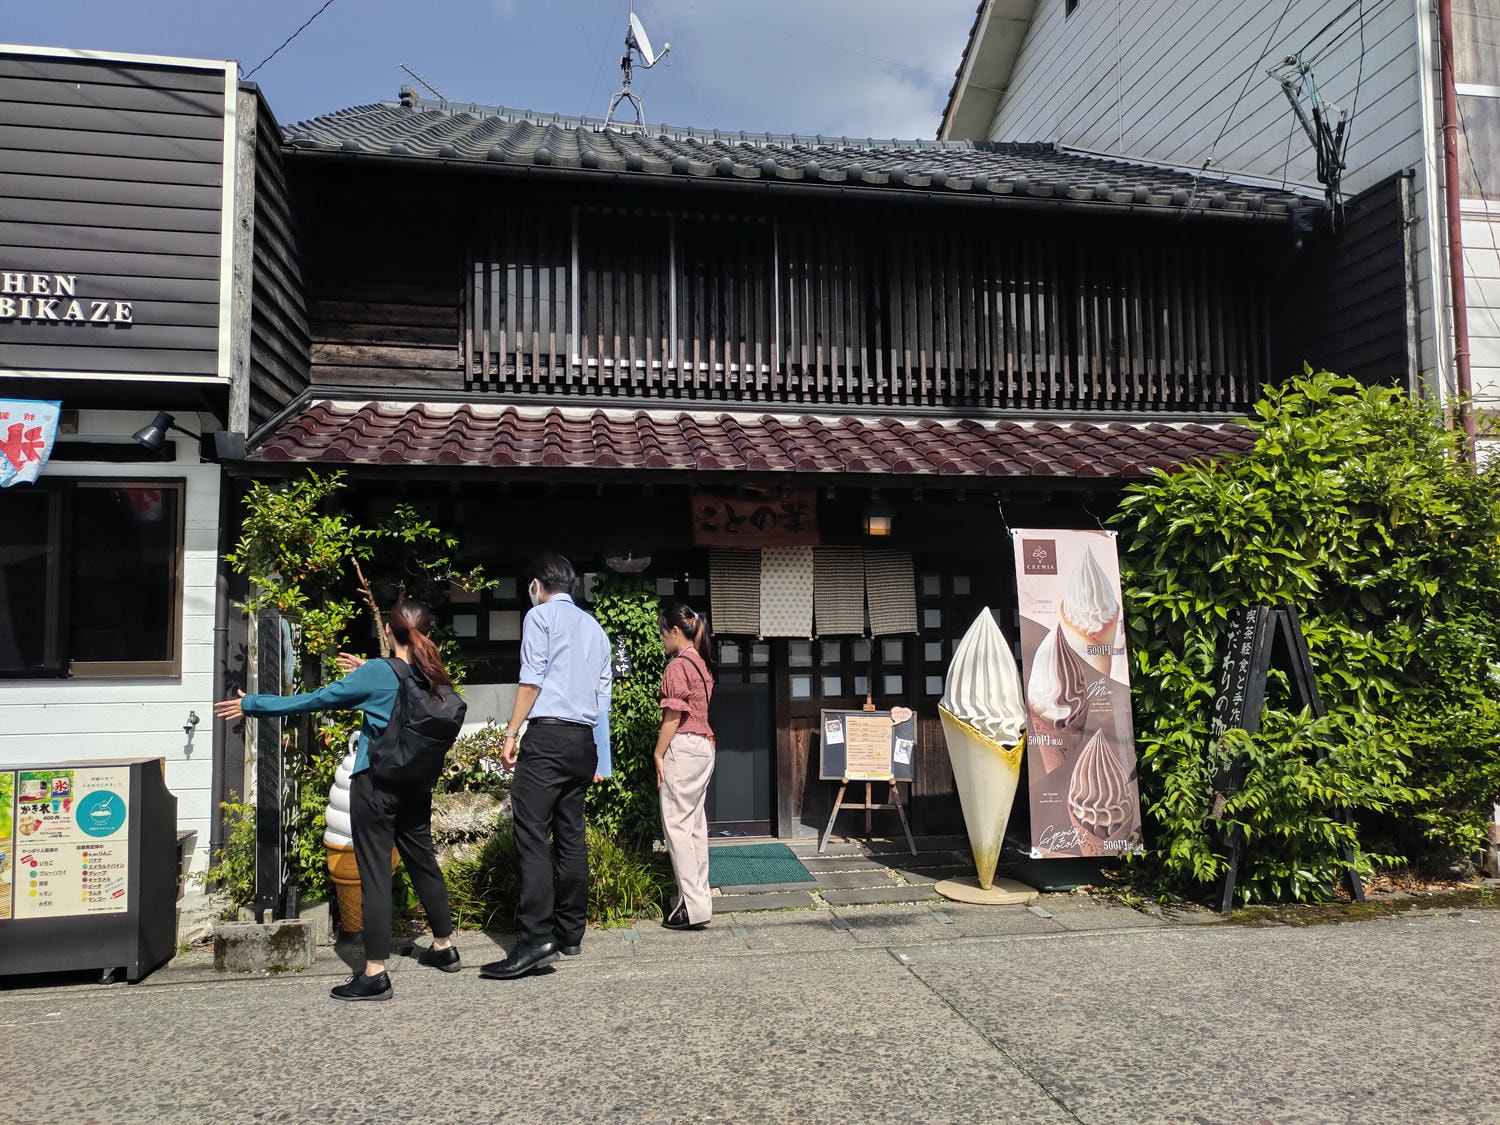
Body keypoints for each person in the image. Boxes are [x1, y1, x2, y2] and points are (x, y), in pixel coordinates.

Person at [212, 598, 460, 1002]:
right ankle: (445, 948)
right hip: (416, 786)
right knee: (424, 862)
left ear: (386, 633)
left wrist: (250, 703)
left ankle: (375, 973)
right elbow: (401, 694)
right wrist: (368, 673)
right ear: (427, 634)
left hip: (376, 786)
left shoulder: (380, 674)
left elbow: (313, 701)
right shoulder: (433, 674)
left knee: (375, 874)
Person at [484, 552, 612, 980]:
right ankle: (570, 933)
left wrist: (510, 733)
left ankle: (536, 938)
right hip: (582, 743)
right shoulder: (596, 629)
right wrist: (602, 758)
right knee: (571, 834)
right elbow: (603, 698)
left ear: (537, 584)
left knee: (533, 836)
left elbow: (532, 678)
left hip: (548, 736)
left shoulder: (539, 618)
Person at [654, 602, 717, 931]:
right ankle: (697, 901)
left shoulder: (677, 666)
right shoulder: (701, 665)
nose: (663, 639)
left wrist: (658, 754)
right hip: (705, 747)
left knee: (677, 827)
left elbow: (673, 717)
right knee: (694, 827)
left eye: (664, 633)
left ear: (675, 631)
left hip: (685, 746)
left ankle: (692, 906)